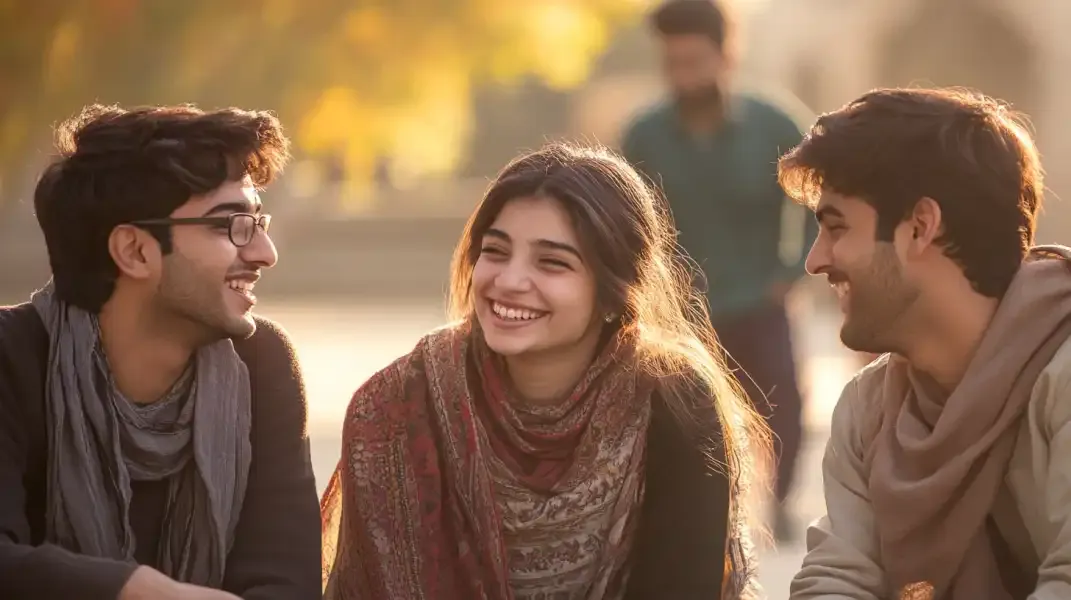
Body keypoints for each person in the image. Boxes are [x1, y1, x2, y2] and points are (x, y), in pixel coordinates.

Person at [320, 143, 773, 600]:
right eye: (495, 252)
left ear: (617, 292)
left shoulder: (675, 400)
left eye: (552, 262)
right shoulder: (395, 407)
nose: (510, 281)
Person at [0, 105, 321, 600]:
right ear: (134, 251)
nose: (264, 253)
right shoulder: (12, 358)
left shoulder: (262, 364)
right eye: (232, 225)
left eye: (258, 221)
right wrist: (143, 591)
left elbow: (286, 582)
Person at [782, 87, 1071, 600]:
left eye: (836, 227)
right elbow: (836, 578)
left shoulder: (1061, 375)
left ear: (919, 228)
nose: (815, 261)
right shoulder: (868, 410)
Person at [620, 0, 815, 540]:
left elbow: (822, 203)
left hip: (759, 299)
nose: (684, 75)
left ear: (727, 56)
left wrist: (792, 271)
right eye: (673, 63)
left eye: (694, 61)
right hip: (680, 310)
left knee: (785, 411)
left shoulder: (777, 123)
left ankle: (779, 504)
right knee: (682, 419)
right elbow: (627, 220)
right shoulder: (644, 134)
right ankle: (702, 515)